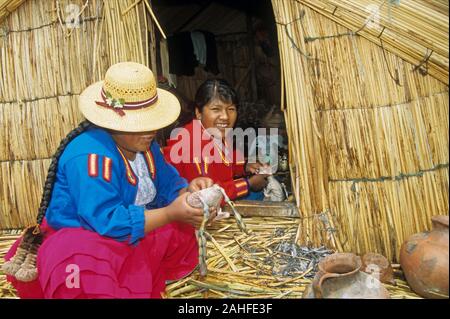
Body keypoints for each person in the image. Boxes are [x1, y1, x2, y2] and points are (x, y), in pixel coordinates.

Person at [2, 62, 215, 299]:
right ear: (112, 122)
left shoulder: (145, 144)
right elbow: (107, 220)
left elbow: (167, 183)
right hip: (85, 236)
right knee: (84, 273)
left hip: (126, 229)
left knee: (180, 231)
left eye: (152, 123)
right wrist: (169, 214)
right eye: (140, 125)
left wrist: (188, 191)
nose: (150, 131)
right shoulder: (90, 156)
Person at [163, 79, 269, 201]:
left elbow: (223, 162)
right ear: (199, 113)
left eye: (231, 109)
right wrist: (248, 184)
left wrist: (245, 166)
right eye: (216, 109)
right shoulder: (191, 144)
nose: (225, 117)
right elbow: (206, 195)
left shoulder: (216, 132)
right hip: (197, 209)